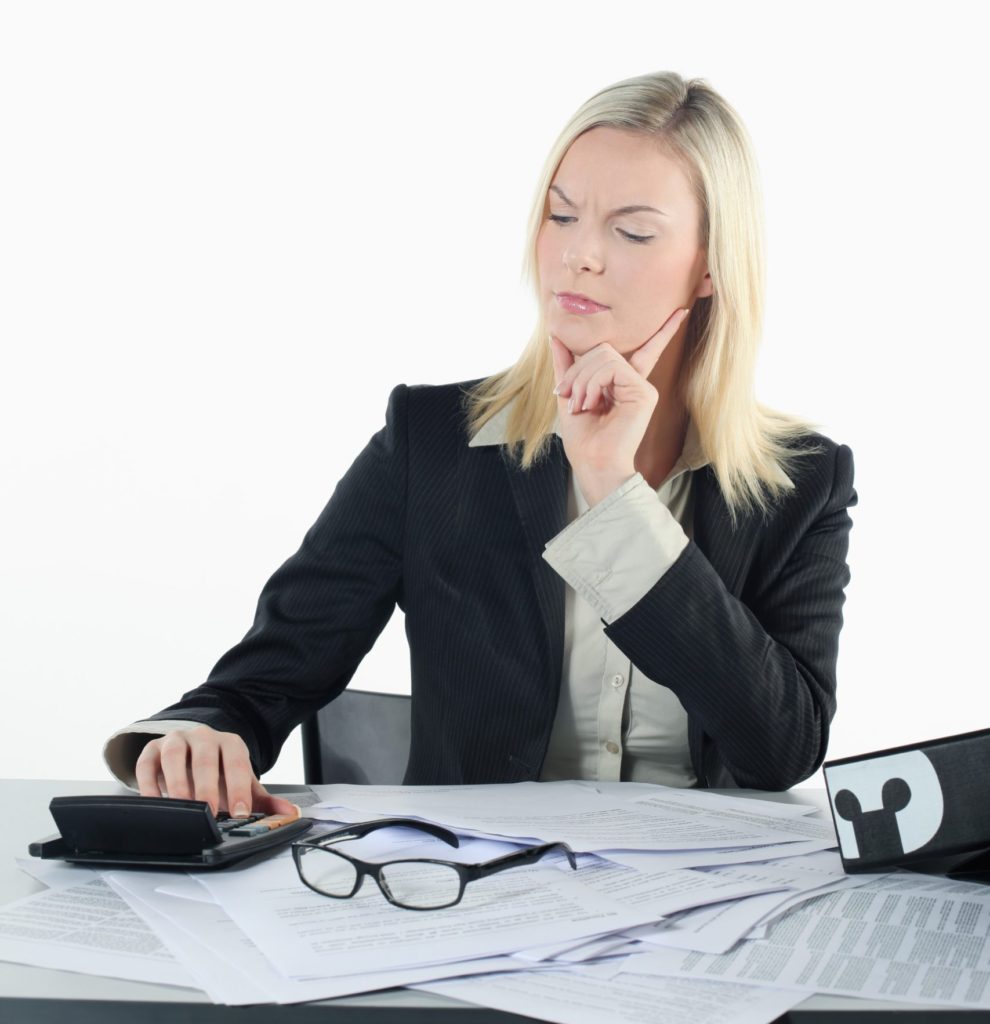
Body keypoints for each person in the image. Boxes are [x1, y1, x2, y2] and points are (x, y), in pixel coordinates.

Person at [104, 70, 856, 818]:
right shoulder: (431, 445)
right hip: (470, 901)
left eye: (630, 231)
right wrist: (195, 740)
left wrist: (612, 491)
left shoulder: (802, 483)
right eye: (561, 217)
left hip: (708, 907)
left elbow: (782, 748)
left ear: (713, 268)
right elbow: (260, 685)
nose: (579, 256)